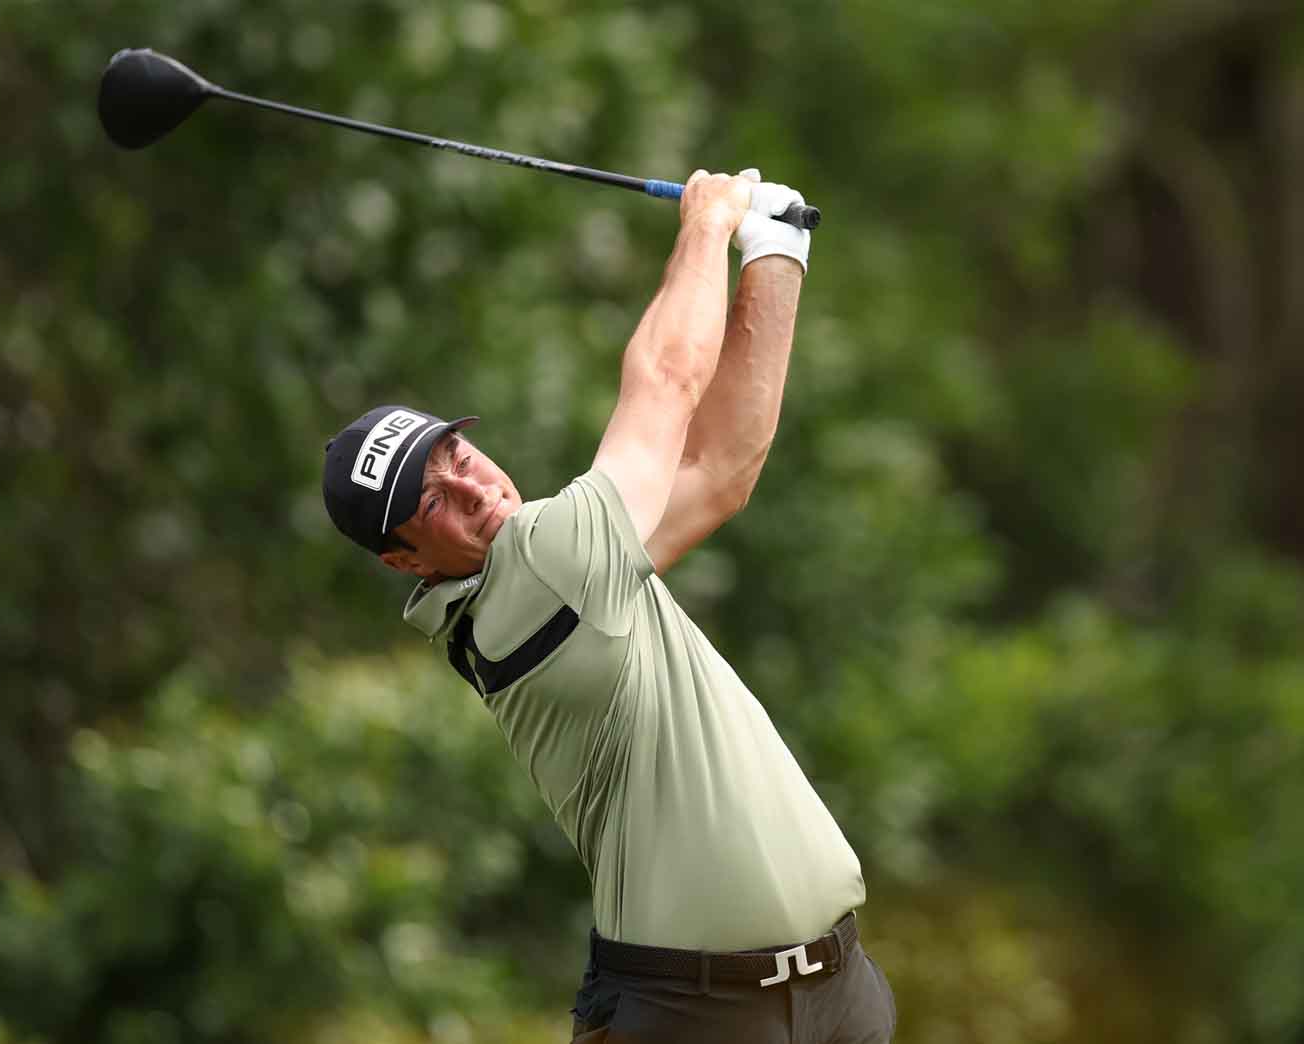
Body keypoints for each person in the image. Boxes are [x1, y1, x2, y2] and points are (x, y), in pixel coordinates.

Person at [321, 170, 896, 1043]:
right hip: (696, 1016)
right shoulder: (540, 568)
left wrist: (776, 253)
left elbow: (722, 470)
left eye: (459, 455)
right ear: (406, 560)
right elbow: (667, 381)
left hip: (833, 993)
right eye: (433, 501)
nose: (472, 489)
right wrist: (708, 223)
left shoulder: (573, 564)